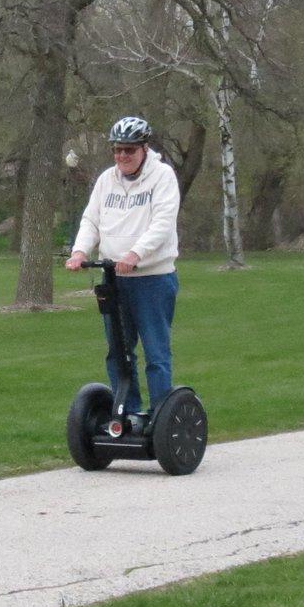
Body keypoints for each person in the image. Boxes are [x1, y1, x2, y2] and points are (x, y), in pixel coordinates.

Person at [65, 115, 182, 416]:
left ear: (144, 148)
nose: (122, 156)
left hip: (152, 278)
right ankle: (127, 415)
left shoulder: (163, 177)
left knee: (156, 352)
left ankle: (160, 417)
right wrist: (79, 252)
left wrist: (135, 254)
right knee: (118, 352)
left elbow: (163, 223)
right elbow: (92, 219)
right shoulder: (107, 180)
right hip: (115, 280)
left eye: (129, 150)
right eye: (117, 150)